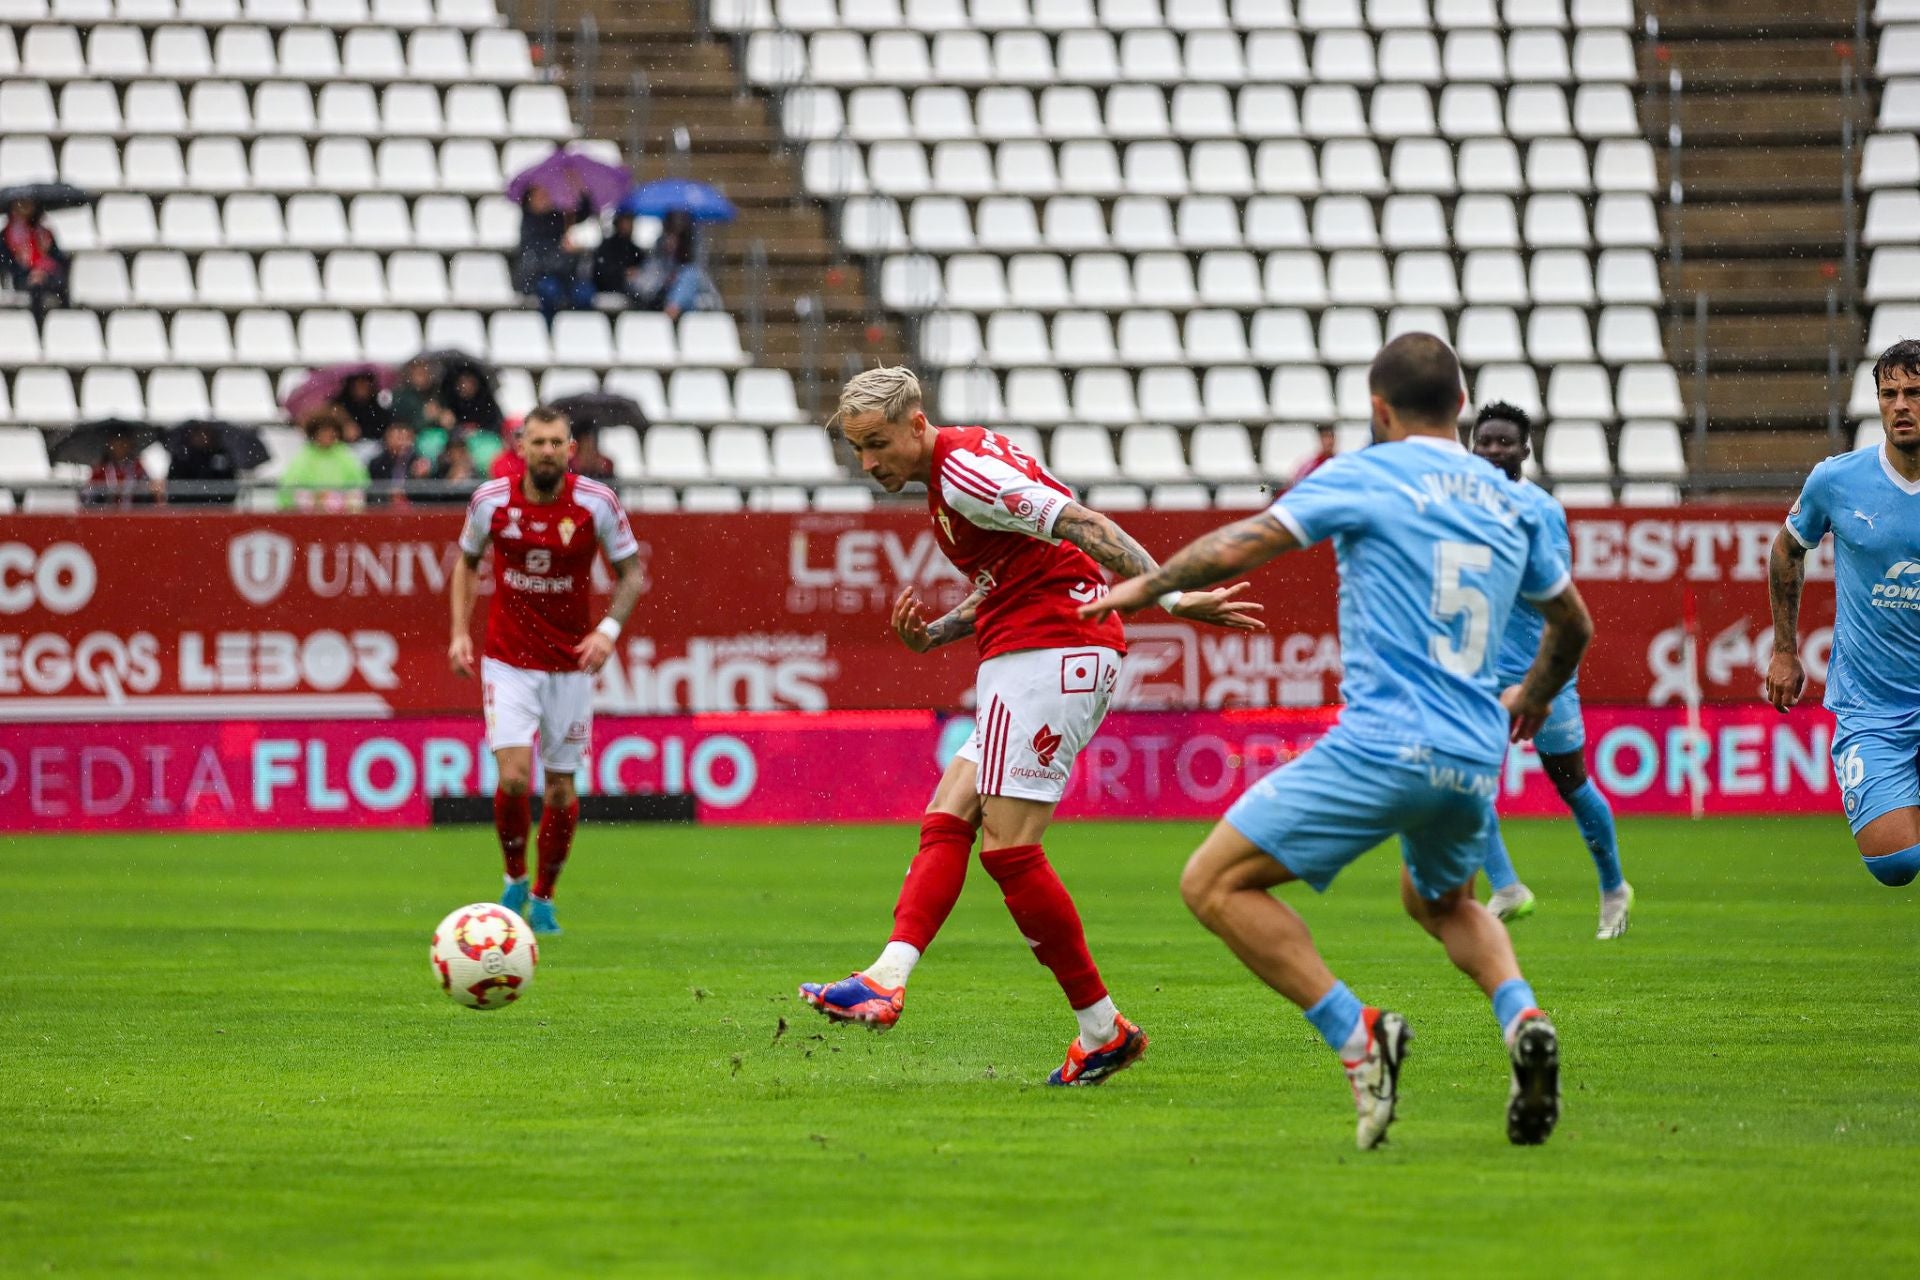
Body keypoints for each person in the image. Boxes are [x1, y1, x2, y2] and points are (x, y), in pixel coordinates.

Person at [1085, 334, 1591, 1149]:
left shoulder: (1364, 471)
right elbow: (1574, 624)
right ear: (1462, 409)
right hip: (1472, 753)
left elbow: (1245, 543)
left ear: (1378, 409)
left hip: (1383, 745)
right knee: (1442, 902)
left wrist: (1148, 586)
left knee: (1212, 884)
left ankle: (1358, 1036)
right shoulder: (1512, 502)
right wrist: (1531, 695)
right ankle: (1521, 1015)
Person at [797, 366, 1264, 1086]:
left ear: (915, 425)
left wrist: (1173, 598)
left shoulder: (964, 475)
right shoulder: (957, 466)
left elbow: (1083, 525)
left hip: (1053, 653)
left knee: (1010, 850)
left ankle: (1099, 1029)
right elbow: (1010, 578)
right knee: (949, 813)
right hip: (1034, 648)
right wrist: (936, 637)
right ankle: (891, 975)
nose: (867, 462)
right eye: (858, 448)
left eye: (876, 443)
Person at [448, 407, 645, 935]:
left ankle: (545, 894)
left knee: (560, 788)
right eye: (538, 442)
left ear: (570, 450)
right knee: (513, 777)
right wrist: (459, 632)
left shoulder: (595, 502)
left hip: (569, 666)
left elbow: (631, 574)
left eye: (557, 442)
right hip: (508, 660)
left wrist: (607, 631)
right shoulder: (491, 501)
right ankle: (514, 877)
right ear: (521, 446)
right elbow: (466, 563)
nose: (548, 451)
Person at [1468, 403, 1633, 938]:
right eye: (1484, 441)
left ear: (1526, 449)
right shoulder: (1455, 507)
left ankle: (1613, 887)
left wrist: (1544, 676)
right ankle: (1508, 887)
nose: (1493, 450)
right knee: (1466, 780)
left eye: (1504, 442)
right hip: (1478, 673)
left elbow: (1558, 597)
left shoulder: (1541, 510)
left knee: (1571, 782)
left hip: (1542, 671)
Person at [1768, 337, 1920, 888]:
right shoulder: (1837, 480)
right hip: (1871, 706)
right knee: (1895, 863)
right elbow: (1786, 549)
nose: (1901, 405)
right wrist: (1785, 651)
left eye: (1915, 393)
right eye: (1890, 394)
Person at [514, 187, 594, 323]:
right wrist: (562, 250)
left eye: (546, 194)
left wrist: (581, 193)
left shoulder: (559, 217)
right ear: (529, 199)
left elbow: (583, 213)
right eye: (539, 195)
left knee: (584, 293)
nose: (544, 198)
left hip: (564, 273)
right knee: (549, 291)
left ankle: (579, 331)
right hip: (539, 277)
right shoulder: (529, 224)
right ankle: (549, 329)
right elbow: (537, 257)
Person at [630, 210, 717, 320]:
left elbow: (699, 276)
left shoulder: (695, 249)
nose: (670, 240)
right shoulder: (660, 251)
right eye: (669, 234)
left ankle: (672, 310)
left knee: (689, 276)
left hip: (692, 298)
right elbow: (649, 278)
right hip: (661, 298)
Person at [278, 408, 370, 511]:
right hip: (309, 517)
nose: (327, 435)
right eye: (323, 431)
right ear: (314, 433)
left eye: (331, 431)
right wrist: (315, 498)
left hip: (343, 517)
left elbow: (360, 485)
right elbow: (289, 489)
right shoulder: (303, 457)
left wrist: (337, 499)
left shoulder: (346, 455)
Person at [3, 198, 69, 320]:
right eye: (20, 204)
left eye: (28, 204)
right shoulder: (6, 235)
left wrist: (43, 271)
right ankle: (38, 325)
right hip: (21, 277)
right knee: (36, 288)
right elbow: (7, 263)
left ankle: (65, 321)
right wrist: (28, 273)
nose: (24, 208)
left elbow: (58, 258)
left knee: (62, 284)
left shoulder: (44, 233)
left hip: (47, 275)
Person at [164, 422, 239, 506]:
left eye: (206, 433)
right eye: (198, 433)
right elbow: (174, 482)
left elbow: (228, 482)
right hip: (186, 507)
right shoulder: (182, 455)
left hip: (215, 507)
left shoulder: (220, 455)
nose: (202, 437)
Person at [81, 426, 156, 508]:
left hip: (133, 514)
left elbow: (148, 489)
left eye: (123, 443)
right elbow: (87, 496)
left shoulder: (137, 467)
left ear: (130, 445)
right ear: (110, 445)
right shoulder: (101, 469)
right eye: (116, 443)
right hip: (106, 515)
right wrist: (105, 490)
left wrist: (149, 488)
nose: (120, 448)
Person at [367, 420, 429, 505]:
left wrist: (420, 478)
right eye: (398, 438)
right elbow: (373, 491)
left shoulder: (419, 461)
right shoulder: (377, 464)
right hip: (385, 509)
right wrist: (389, 493)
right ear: (387, 440)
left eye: (406, 439)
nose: (402, 443)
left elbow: (427, 495)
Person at [590, 211, 648, 300]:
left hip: (628, 291)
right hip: (608, 290)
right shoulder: (607, 246)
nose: (630, 226)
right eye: (626, 222)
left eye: (631, 223)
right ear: (618, 224)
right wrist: (624, 272)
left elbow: (642, 265)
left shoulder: (632, 247)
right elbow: (601, 271)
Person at [335, 371, 393, 449]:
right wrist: (346, 423)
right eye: (358, 385)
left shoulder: (379, 403)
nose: (361, 388)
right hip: (346, 446)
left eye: (365, 385)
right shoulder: (341, 404)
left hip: (376, 445)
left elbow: (386, 425)